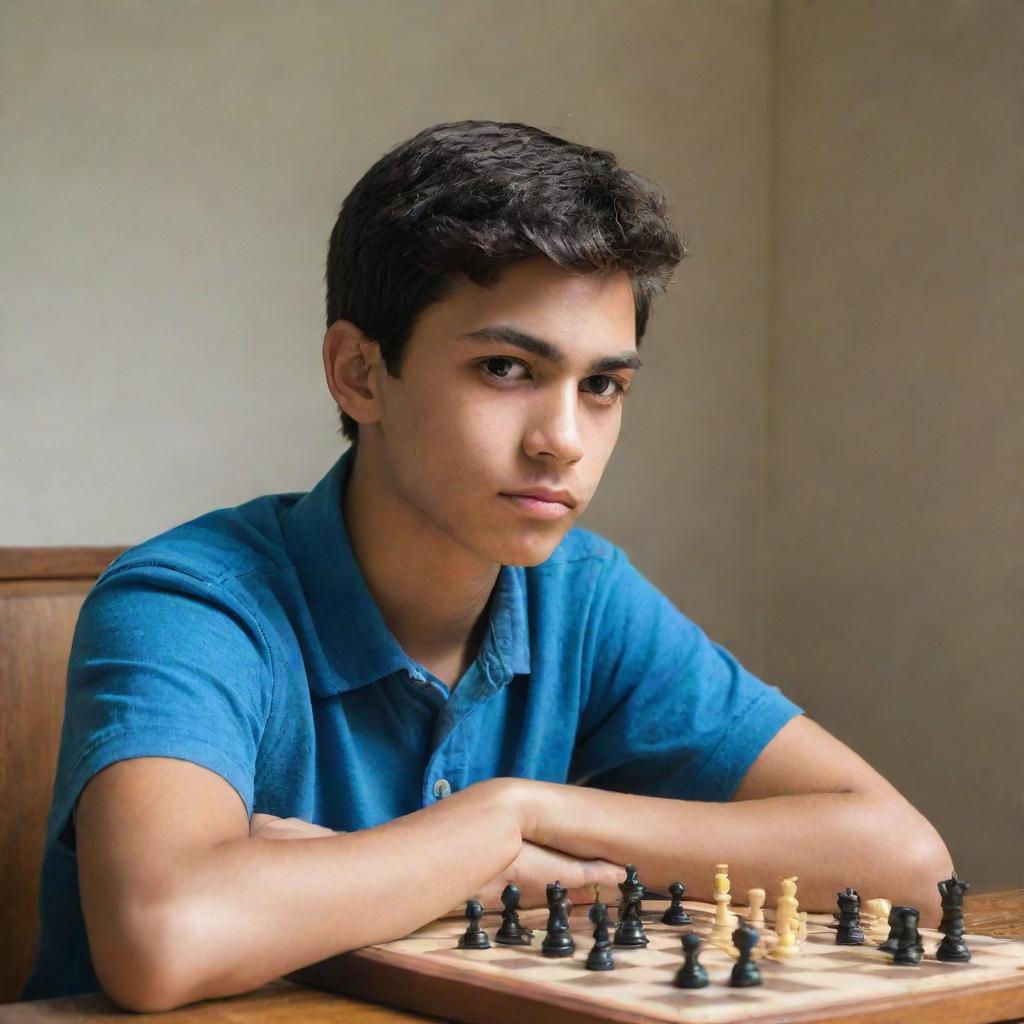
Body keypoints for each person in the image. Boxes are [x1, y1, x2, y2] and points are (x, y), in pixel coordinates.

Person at [23, 119, 952, 1011]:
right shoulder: (191, 601)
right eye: (507, 368)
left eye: (601, 387)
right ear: (358, 372)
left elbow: (904, 859)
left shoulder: (580, 594)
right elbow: (165, 936)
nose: (562, 442)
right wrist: (483, 849)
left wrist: (513, 817)